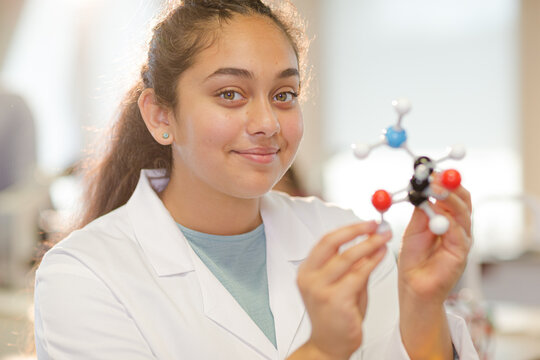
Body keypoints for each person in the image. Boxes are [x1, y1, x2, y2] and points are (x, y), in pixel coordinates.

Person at [33, 1, 478, 359]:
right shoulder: (84, 276)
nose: (267, 122)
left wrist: (421, 305)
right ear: (160, 115)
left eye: (284, 95)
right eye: (230, 94)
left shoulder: (343, 238)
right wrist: (322, 350)